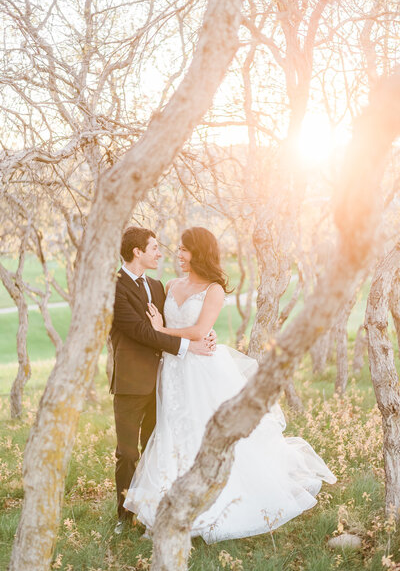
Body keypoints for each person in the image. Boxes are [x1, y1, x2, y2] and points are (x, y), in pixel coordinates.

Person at [123, 226, 336, 543]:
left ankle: (214, 502)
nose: (178, 254)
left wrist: (161, 330)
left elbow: (198, 331)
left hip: (203, 370)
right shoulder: (169, 284)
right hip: (172, 370)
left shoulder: (214, 290)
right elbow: (174, 329)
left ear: (199, 252)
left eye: (184, 249)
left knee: (204, 430)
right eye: (177, 249)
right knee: (173, 431)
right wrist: (164, 331)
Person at [110, 226, 215, 534]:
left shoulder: (158, 286)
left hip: (164, 381)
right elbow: (141, 331)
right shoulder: (113, 287)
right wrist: (188, 346)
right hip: (130, 382)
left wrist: (203, 333)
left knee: (157, 449)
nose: (160, 253)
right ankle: (123, 515)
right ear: (137, 252)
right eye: (154, 247)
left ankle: (151, 509)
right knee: (127, 453)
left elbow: (172, 324)